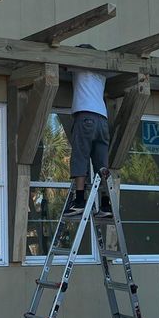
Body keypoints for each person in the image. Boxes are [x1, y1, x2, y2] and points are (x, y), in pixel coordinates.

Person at [61, 46, 113, 222]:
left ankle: (79, 201)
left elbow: (63, 64)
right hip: (103, 120)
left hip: (85, 116)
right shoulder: (101, 73)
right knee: (102, 164)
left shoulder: (79, 64)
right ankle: (106, 204)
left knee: (80, 156)